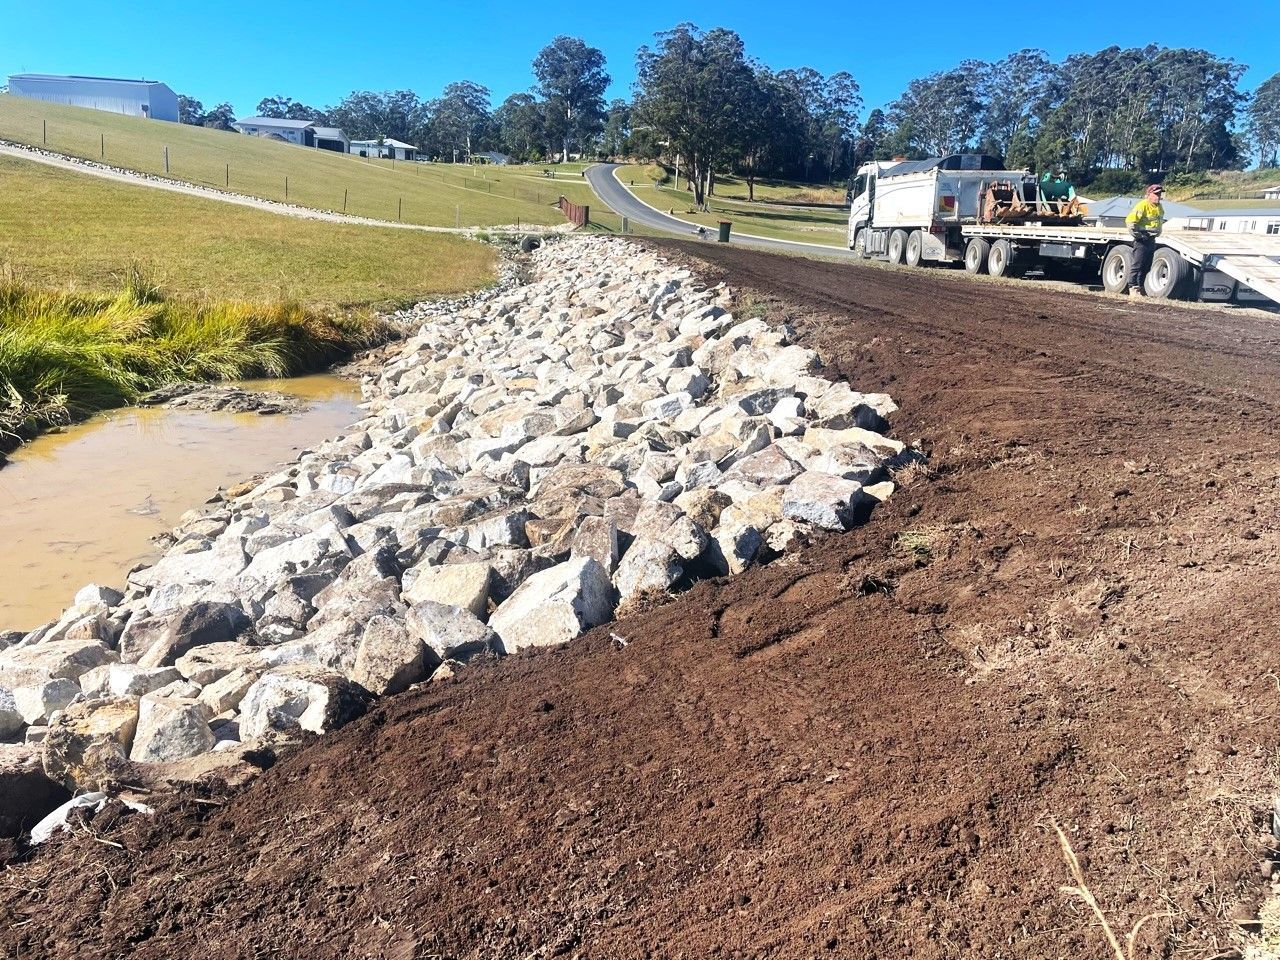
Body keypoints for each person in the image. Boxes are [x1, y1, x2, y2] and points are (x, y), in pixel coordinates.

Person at [1124, 183, 1166, 295]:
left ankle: (1140, 287)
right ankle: (1132, 288)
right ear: (1149, 194)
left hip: (1151, 240)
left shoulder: (1159, 207)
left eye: (1160, 194)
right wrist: (1139, 236)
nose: (1159, 196)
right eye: (1156, 194)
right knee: (1137, 265)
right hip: (1142, 239)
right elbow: (1130, 222)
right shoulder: (1142, 205)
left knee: (1147, 266)